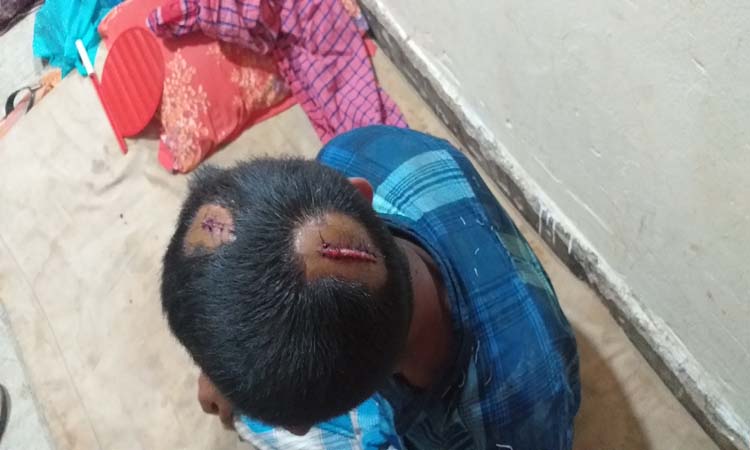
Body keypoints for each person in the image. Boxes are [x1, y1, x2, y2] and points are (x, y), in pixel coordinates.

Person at [162, 126, 580, 449]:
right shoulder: (355, 152)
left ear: (299, 426)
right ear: (360, 193)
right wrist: (227, 370)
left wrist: (254, 394)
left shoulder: (519, 406)